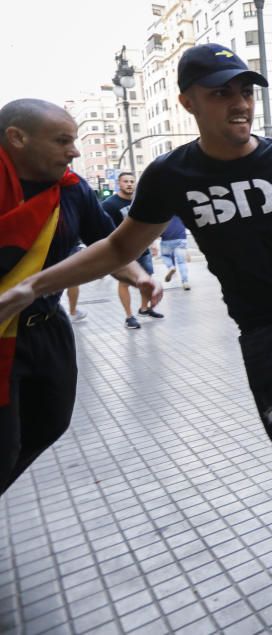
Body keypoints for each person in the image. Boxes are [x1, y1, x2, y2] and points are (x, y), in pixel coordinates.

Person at [0, 45, 272, 560]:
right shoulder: (170, 175)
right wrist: (34, 286)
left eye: (246, 91)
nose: (240, 103)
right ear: (188, 103)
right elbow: (119, 246)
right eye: (221, 93)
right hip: (267, 332)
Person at [0, 98, 160, 495]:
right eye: (62, 140)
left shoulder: (72, 190)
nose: (73, 151)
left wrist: (138, 275)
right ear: (16, 138)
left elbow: (107, 245)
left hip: (45, 327)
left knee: (51, 423)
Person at [102, 172, 163, 329]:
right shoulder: (109, 204)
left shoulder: (140, 201)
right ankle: (129, 316)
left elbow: (147, 224)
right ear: (119, 183)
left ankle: (144, 308)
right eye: (125, 181)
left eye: (132, 181)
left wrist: (152, 242)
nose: (129, 184)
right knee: (124, 283)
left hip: (143, 249)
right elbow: (106, 231)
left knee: (146, 279)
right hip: (124, 253)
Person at [159, 215, 191, 290]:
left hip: (166, 240)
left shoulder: (163, 214)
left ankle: (171, 267)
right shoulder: (180, 213)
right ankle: (185, 282)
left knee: (165, 256)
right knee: (182, 262)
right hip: (181, 239)